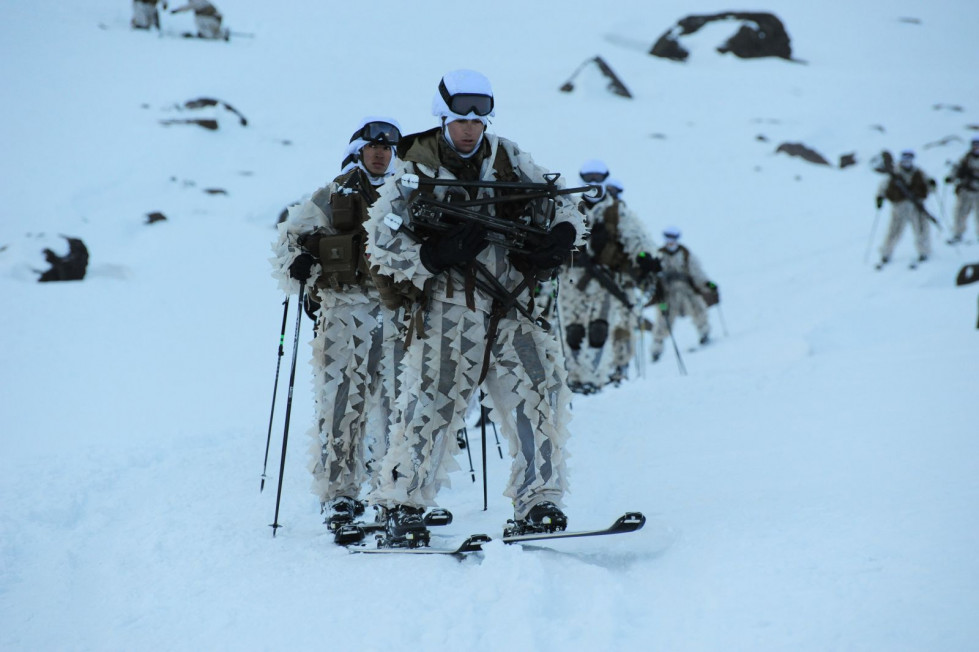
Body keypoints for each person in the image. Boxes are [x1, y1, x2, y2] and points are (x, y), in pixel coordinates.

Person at [363, 69, 586, 546]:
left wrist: (559, 238)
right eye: (459, 118)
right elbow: (380, 240)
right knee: (431, 404)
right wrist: (431, 255)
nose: (469, 128)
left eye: (477, 119)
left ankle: (540, 500)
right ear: (443, 116)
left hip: (510, 302)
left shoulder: (508, 158)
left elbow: (560, 202)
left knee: (538, 392)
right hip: (450, 305)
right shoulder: (414, 168)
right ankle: (403, 505)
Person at [270, 117, 406, 534]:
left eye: (387, 147)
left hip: (400, 310)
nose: (381, 152)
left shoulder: (411, 192)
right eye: (373, 146)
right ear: (361, 150)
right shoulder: (334, 194)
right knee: (343, 403)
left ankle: (397, 494)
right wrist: (301, 260)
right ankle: (340, 497)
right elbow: (289, 239)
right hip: (346, 308)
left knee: (401, 405)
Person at [558, 162, 659, 393]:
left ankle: (594, 377)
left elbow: (637, 236)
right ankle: (574, 377)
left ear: (605, 178)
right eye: (588, 177)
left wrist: (647, 258)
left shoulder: (615, 210)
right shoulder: (568, 205)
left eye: (598, 176)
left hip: (605, 280)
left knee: (599, 329)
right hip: (571, 279)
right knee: (573, 331)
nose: (593, 181)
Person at [650, 227, 717, 362]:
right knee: (663, 320)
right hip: (667, 294)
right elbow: (652, 277)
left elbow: (697, 272)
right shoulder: (658, 256)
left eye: (673, 241)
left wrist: (707, 283)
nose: (670, 244)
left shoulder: (686, 255)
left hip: (686, 291)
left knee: (698, 309)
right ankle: (656, 349)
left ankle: (704, 333)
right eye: (668, 241)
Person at [874, 149, 937, 268]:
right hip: (899, 206)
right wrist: (879, 197)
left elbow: (929, 186)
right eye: (904, 160)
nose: (906, 162)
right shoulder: (894, 174)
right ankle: (886, 253)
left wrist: (933, 184)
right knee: (894, 231)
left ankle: (924, 251)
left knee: (921, 229)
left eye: (909, 160)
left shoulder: (919, 173)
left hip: (916, 205)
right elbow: (883, 187)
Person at [945, 138, 979, 245]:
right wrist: (951, 177)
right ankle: (958, 233)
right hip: (966, 191)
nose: (976, 148)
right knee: (960, 213)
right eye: (975, 145)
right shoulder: (966, 159)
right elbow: (956, 169)